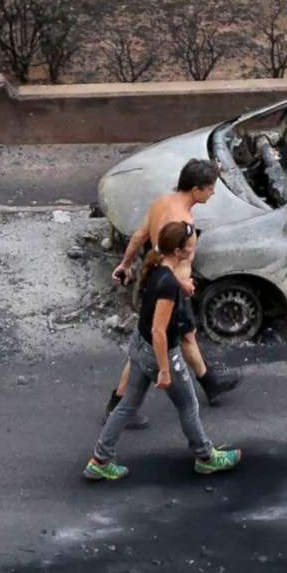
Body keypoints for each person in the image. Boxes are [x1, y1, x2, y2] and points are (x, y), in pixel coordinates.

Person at [85, 221, 241, 482]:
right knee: (188, 405)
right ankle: (206, 457)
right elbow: (160, 330)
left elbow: (164, 289)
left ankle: (100, 459)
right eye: (191, 247)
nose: (193, 250)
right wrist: (165, 370)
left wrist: (183, 287)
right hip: (159, 352)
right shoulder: (167, 282)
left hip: (139, 344)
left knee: (126, 405)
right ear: (179, 252)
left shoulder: (157, 266)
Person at [109, 158, 237, 419]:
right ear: (196, 190)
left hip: (158, 283)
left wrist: (125, 264)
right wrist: (183, 284)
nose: (213, 193)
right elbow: (170, 263)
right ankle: (118, 404)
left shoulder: (161, 203)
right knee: (145, 349)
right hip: (170, 291)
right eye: (210, 188)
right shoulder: (183, 223)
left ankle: (210, 383)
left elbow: (139, 237)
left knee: (188, 334)